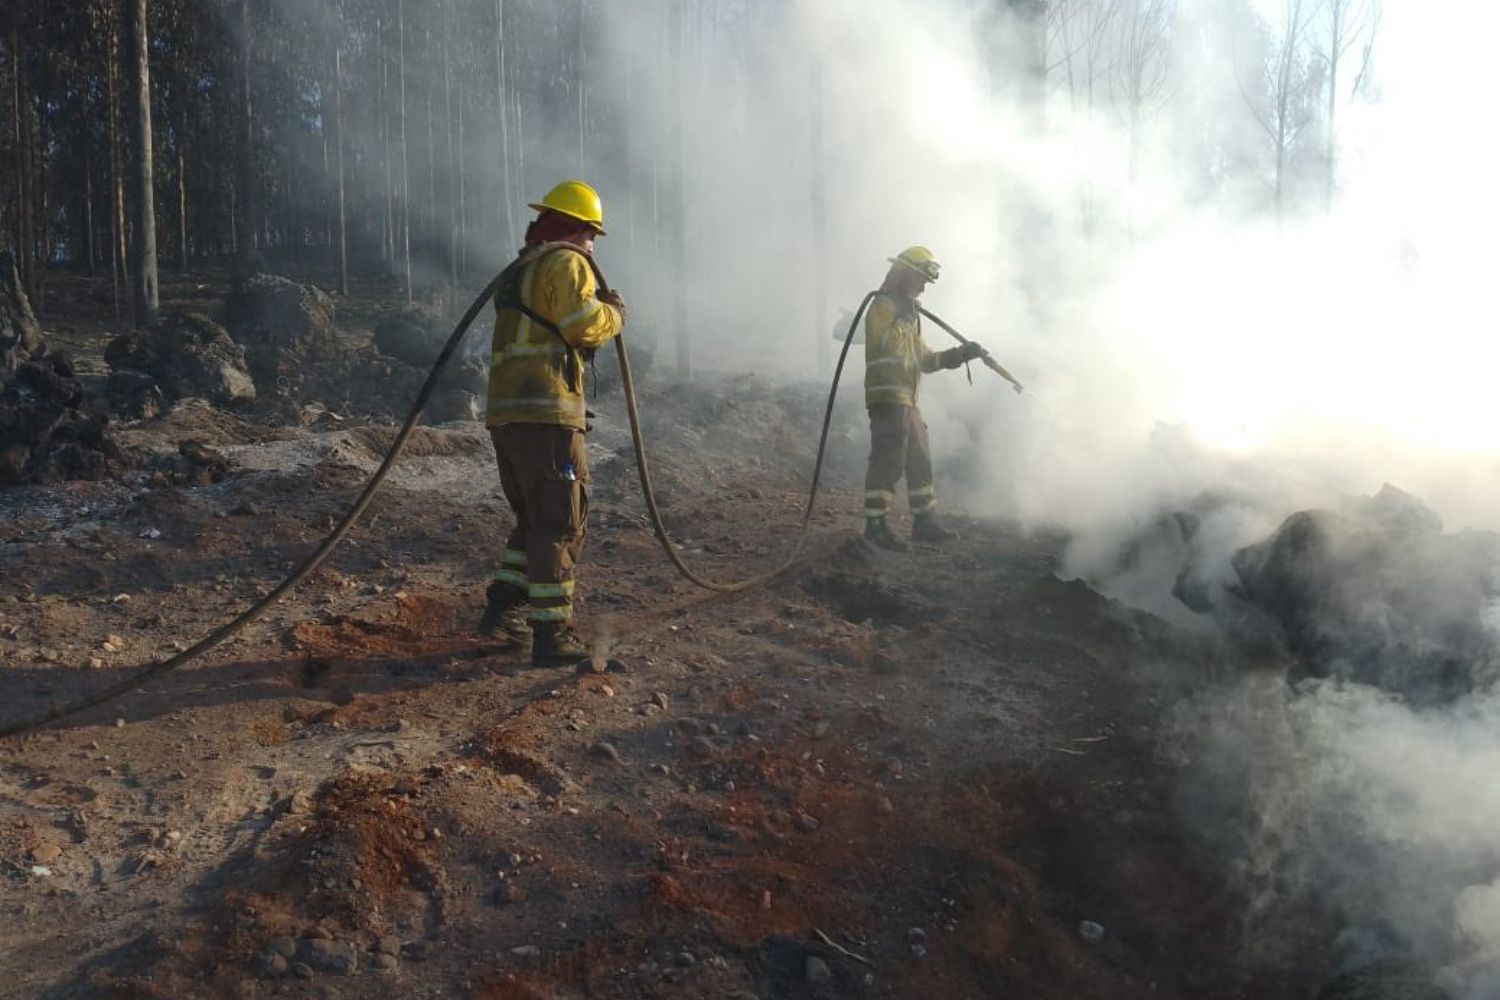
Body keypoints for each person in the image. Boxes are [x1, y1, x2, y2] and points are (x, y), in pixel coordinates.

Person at [477, 180, 626, 665]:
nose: (593, 245)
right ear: (579, 228)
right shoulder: (566, 262)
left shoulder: (522, 269)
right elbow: (583, 322)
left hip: (510, 415)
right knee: (562, 522)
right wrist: (615, 315)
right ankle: (551, 635)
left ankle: (502, 607)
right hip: (547, 412)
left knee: (534, 520)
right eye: (592, 235)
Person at [862, 246, 983, 551]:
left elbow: (925, 360)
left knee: (919, 459)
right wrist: (903, 316)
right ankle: (875, 526)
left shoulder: (908, 312)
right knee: (889, 460)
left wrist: (960, 355)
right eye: (921, 280)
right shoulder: (883, 306)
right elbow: (887, 344)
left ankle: (924, 523)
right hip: (887, 398)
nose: (924, 287)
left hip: (907, 400)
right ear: (906, 275)